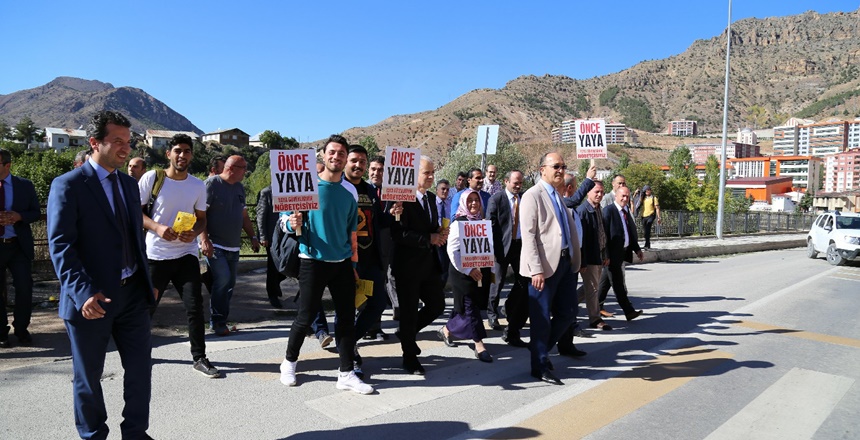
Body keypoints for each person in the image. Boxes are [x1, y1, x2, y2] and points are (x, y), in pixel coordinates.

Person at [47, 110, 156, 439]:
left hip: (132, 295)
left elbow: (133, 237)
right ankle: (93, 435)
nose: (125, 148)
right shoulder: (68, 185)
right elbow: (62, 245)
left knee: (139, 371)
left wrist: (145, 282)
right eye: (117, 142)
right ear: (95, 143)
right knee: (88, 376)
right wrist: (83, 293)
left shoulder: (127, 183)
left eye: (128, 141)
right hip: (92, 299)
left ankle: (135, 433)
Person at [278, 135, 373, 394]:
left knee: (346, 319)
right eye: (332, 152)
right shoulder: (304, 185)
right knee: (305, 316)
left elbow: (351, 232)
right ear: (323, 154)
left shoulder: (351, 190)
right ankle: (288, 363)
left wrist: (353, 264)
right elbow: (283, 221)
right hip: (312, 261)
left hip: (342, 263)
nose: (337, 157)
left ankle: (346, 373)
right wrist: (291, 224)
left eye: (341, 153)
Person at [139, 133, 220, 378]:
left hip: (186, 254)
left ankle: (200, 358)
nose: (182, 155)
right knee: (147, 307)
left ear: (191, 155)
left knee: (195, 307)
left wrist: (194, 233)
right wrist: (157, 228)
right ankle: (140, 353)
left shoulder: (197, 185)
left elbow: (202, 219)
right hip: (156, 255)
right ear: (168, 154)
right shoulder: (152, 178)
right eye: (177, 150)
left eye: (186, 151)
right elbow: (135, 212)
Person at [520, 152, 582, 385]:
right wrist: (536, 269)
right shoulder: (532, 196)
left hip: (565, 264)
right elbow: (529, 235)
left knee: (568, 312)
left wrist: (576, 258)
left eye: (563, 166)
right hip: (543, 268)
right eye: (556, 166)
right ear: (542, 169)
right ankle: (539, 365)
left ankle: (540, 349)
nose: (560, 170)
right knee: (541, 318)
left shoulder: (558, 195)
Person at [389, 155, 447, 375]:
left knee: (437, 305)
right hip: (407, 265)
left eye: (433, 172)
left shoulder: (431, 198)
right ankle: (409, 357)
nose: (431, 177)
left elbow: (429, 227)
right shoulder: (400, 200)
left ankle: (407, 333)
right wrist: (428, 238)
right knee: (409, 312)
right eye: (427, 173)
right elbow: (398, 233)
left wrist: (439, 234)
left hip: (429, 264)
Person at [201, 155, 260, 336]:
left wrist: (252, 236)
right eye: (243, 168)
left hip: (233, 246)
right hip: (215, 243)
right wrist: (204, 240)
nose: (246, 171)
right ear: (232, 168)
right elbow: (200, 214)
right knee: (223, 279)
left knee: (230, 283)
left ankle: (220, 320)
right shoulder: (211, 184)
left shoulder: (240, 188)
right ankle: (218, 321)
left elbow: (244, 216)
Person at [439, 189, 493, 362]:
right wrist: (468, 270)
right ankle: (479, 344)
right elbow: (452, 251)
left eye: (476, 200)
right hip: (462, 273)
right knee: (470, 308)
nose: (474, 204)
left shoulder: (482, 222)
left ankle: (447, 329)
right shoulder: (458, 224)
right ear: (463, 202)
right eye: (470, 201)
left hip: (478, 272)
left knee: (462, 307)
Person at [0, 149, 40, 348]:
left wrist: (19, 217)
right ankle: (1, 332)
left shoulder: (24, 186)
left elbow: (35, 212)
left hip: (18, 246)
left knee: (24, 288)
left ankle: (22, 328)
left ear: (7, 165)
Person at [486, 170, 529, 348]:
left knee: (523, 282)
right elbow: (490, 224)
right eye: (515, 183)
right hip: (501, 249)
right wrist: (494, 250)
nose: (518, 186)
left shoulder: (524, 199)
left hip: (520, 246)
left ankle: (509, 308)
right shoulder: (496, 199)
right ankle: (492, 314)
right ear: (506, 181)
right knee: (497, 282)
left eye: (520, 183)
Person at [602, 186, 644, 321]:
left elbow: (629, 234)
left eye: (627, 196)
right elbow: (604, 237)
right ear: (616, 196)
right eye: (622, 196)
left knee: (604, 283)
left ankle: (595, 306)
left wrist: (636, 249)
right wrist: (606, 255)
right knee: (618, 283)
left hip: (621, 253)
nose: (625, 199)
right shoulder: (608, 211)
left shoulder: (625, 211)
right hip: (611, 256)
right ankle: (629, 310)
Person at [576, 181, 612, 331]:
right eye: (596, 191)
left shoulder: (598, 209)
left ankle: (562, 306)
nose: (599, 195)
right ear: (588, 192)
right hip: (589, 257)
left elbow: (602, 234)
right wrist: (582, 261)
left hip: (598, 255)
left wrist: (605, 254)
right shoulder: (583, 211)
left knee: (590, 287)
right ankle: (595, 319)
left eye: (602, 192)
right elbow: (580, 239)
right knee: (593, 289)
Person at [597, 173, 627, 317]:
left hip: (620, 249)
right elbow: (603, 226)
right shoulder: (607, 200)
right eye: (619, 183)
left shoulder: (625, 198)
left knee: (606, 280)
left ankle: (596, 306)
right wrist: (605, 251)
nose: (622, 186)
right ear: (613, 184)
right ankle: (628, 309)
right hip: (609, 249)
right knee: (616, 280)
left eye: (623, 183)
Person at [256, 184, 286, 308]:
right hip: (272, 236)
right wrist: (262, 236)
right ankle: (272, 294)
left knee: (287, 264)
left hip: (288, 235)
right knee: (273, 266)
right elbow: (261, 216)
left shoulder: (289, 191)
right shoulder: (266, 192)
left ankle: (277, 282)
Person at [435, 179, 452, 284]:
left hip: (448, 238)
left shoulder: (450, 203)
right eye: (443, 189)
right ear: (437, 190)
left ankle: (441, 287)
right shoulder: (432, 202)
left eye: (447, 189)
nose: (445, 191)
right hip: (435, 237)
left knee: (446, 265)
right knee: (437, 264)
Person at [640, 185, 661, 249]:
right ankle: (647, 244)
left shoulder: (654, 198)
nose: (647, 191)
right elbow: (637, 202)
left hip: (651, 215)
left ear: (650, 190)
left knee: (648, 228)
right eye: (645, 190)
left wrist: (659, 217)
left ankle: (647, 244)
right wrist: (636, 193)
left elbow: (657, 208)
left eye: (648, 190)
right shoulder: (643, 198)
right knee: (645, 231)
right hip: (643, 216)